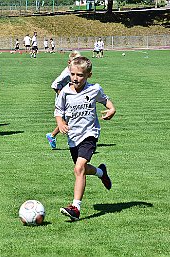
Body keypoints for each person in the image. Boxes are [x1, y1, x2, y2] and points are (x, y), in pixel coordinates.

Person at [55, 56, 116, 220]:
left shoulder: (94, 89)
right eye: (73, 74)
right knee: (81, 168)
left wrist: (111, 110)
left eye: (80, 75)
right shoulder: (65, 93)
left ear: (88, 75)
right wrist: (60, 123)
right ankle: (101, 172)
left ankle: (76, 207)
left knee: (79, 168)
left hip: (89, 134)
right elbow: (58, 112)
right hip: (73, 138)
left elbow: (107, 102)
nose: (76, 78)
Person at [46, 50, 81, 149]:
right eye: (75, 62)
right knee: (69, 120)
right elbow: (54, 85)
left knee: (69, 120)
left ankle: (53, 136)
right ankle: (54, 136)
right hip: (64, 101)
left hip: (71, 99)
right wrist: (63, 95)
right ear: (69, 63)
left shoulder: (74, 72)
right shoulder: (67, 73)